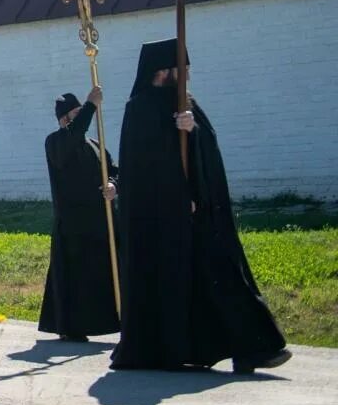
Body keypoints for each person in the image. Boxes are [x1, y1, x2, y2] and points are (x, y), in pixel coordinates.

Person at [110, 40, 288, 374]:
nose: (188, 76)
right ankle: (185, 351)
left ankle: (254, 348)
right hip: (164, 221)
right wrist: (176, 198)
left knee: (222, 275)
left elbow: (208, 147)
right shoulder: (140, 108)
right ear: (163, 71)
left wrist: (194, 132)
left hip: (199, 215)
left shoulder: (186, 104)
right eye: (183, 69)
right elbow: (145, 170)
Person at [37, 88, 120, 341]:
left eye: (80, 113)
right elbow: (72, 138)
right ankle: (72, 327)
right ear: (64, 119)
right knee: (75, 280)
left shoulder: (95, 145)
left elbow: (114, 169)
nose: (81, 117)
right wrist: (90, 106)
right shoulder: (56, 142)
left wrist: (114, 186)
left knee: (102, 275)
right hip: (73, 225)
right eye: (75, 114)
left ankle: (108, 321)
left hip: (100, 222)